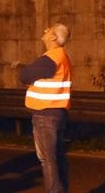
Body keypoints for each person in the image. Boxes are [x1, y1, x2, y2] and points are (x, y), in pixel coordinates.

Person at [20, 24, 72, 193]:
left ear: (54, 38)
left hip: (45, 114)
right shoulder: (61, 57)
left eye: (48, 29)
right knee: (56, 158)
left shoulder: (50, 58)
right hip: (58, 112)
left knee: (47, 159)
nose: (44, 31)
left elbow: (24, 76)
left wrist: (31, 80)